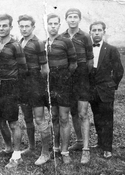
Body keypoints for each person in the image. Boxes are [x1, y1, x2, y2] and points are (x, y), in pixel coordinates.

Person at [0, 14, 28, 169]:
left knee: (13, 122)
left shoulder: (15, 45)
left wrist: (18, 90)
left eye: (5, 25)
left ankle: (17, 154)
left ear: (10, 27)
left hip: (11, 86)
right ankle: (8, 147)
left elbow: (23, 69)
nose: (1, 28)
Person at [61, 8, 94, 164]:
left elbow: (89, 62)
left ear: (79, 19)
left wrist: (84, 77)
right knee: (73, 112)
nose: (72, 19)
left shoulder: (85, 37)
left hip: (82, 76)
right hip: (67, 76)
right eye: (70, 17)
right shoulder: (62, 36)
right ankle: (80, 141)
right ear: (66, 19)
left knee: (83, 113)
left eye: (75, 17)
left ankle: (86, 149)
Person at [17, 15, 51, 165]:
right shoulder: (20, 41)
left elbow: (45, 69)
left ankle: (46, 153)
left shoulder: (38, 43)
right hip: (22, 84)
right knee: (27, 117)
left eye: (27, 26)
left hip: (35, 84)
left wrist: (38, 84)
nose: (24, 29)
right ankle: (31, 147)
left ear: (33, 27)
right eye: (22, 26)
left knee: (39, 119)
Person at [89, 21, 124, 158]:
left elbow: (118, 71)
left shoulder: (111, 49)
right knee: (97, 117)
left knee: (107, 118)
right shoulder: (87, 49)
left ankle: (107, 147)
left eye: (99, 30)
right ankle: (99, 143)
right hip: (92, 90)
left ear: (104, 32)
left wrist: (112, 85)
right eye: (94, 30)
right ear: (90, 32)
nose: (96, 32)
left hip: (106, 90)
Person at [46, 14, 77, 164]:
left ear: (59, 25)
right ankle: (55, 148)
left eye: (55, 24)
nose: (52, 26)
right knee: (53, 117)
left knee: (64, 117)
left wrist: (64, 78)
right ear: (46, 25)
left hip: (64, 83)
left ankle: (65, 152)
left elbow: (73, 64)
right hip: (49, 84)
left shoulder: (66, 41)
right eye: (50, 23)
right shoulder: (43, 43)